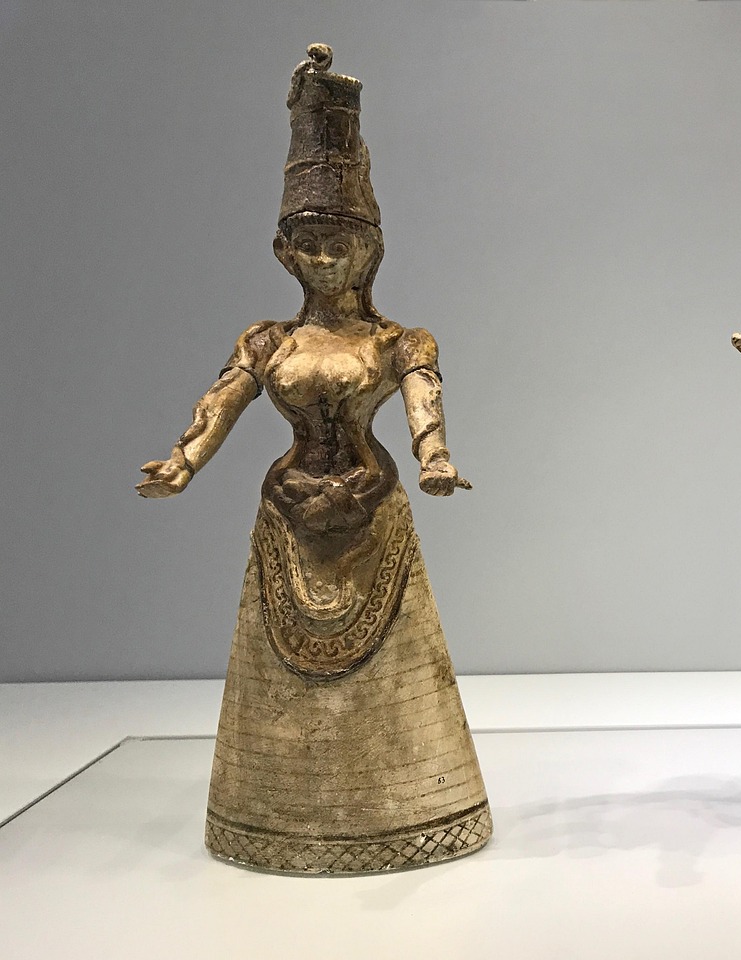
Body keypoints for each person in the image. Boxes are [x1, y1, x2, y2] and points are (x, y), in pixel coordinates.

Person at [137, 45, 490, 874]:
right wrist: (183, 461)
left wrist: (436, 461)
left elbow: (425, 405)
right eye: (311, 246)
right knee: (280, 668)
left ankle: (419, 815)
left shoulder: (401, 340)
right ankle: (265, 823)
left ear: (371, 250)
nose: (326, 259)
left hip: (372, 506)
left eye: (340, 245)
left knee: (392, 664)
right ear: (285, 253)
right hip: (289, 508)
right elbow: (222, 400)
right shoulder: (267, 340)